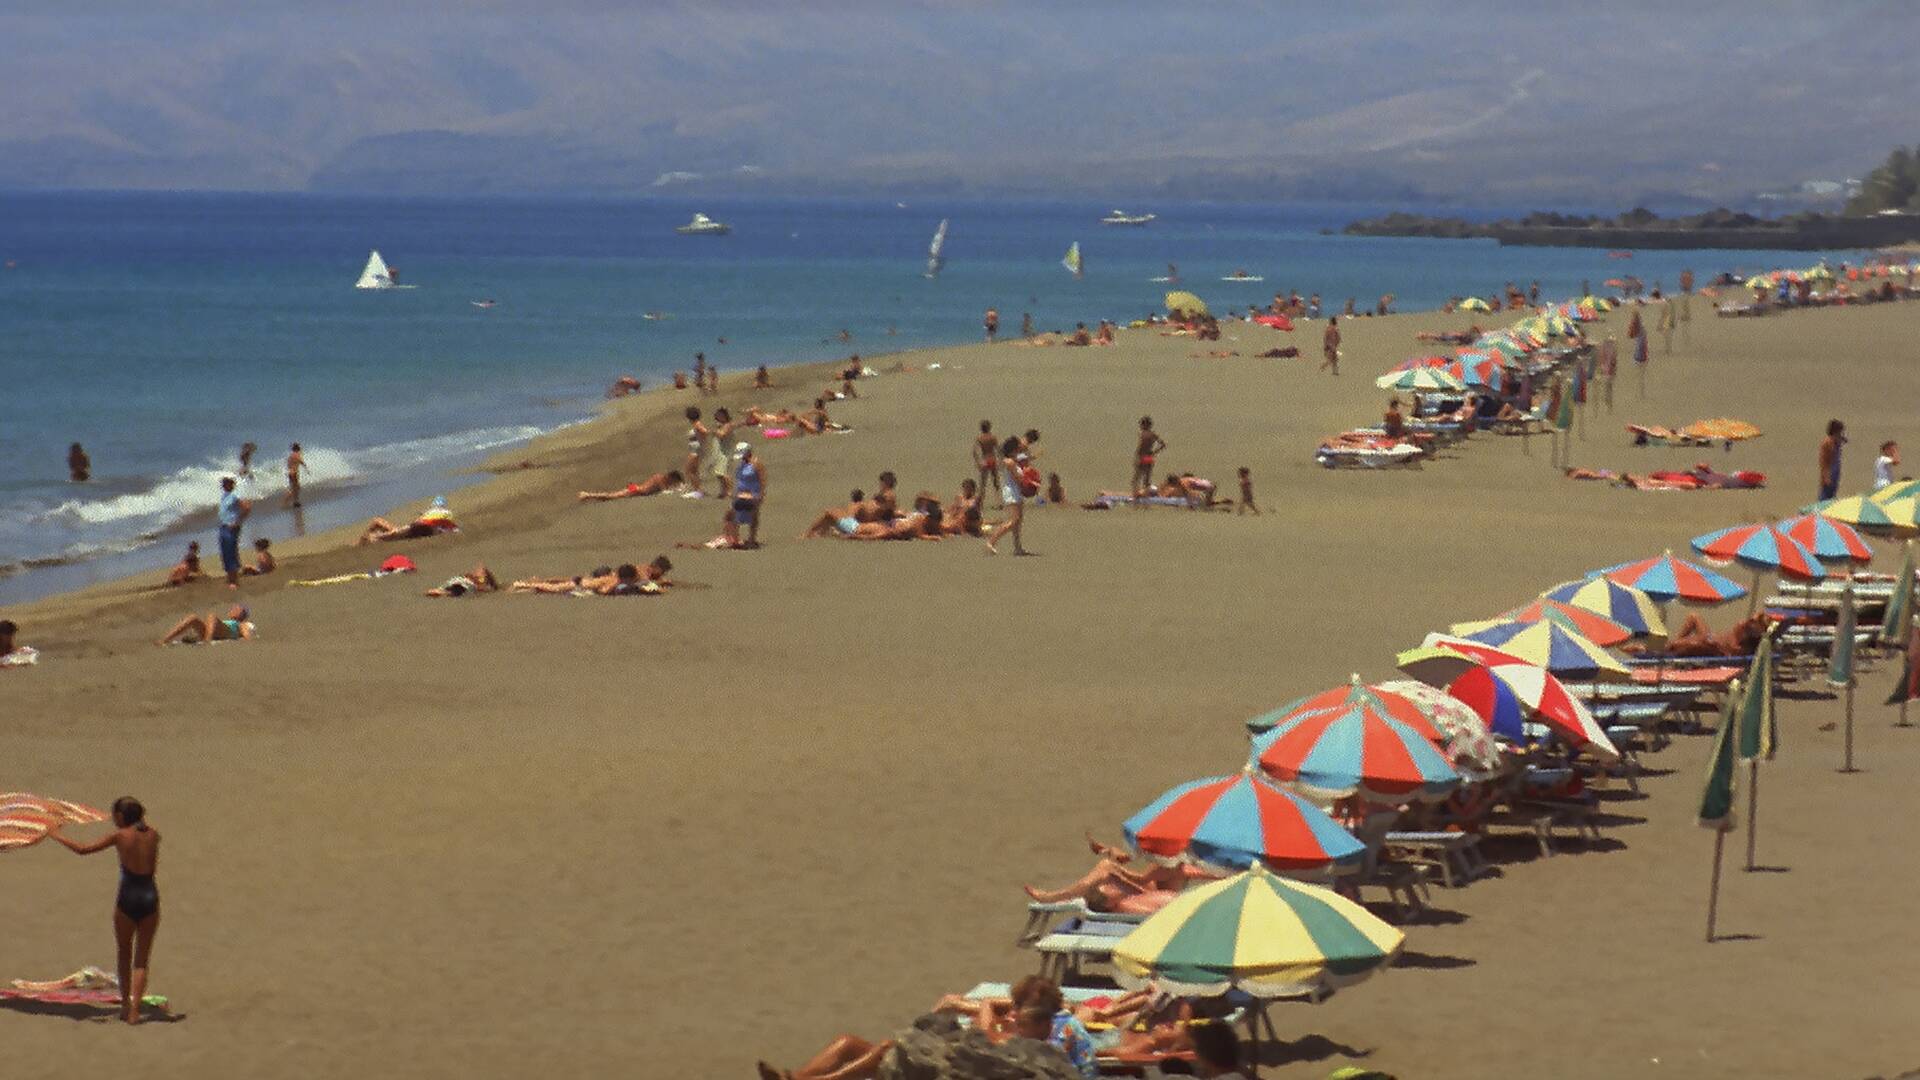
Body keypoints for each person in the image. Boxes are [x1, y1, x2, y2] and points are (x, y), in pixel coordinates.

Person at [40, 797, 161, 1024]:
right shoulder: (154, 835)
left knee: (124, 952)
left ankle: (125, 1005)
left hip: (127, 897)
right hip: (149, 896)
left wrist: (56, 835)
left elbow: (83, 850)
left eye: (115, 815)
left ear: (121, 816)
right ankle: (135, 1011)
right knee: (142, 959)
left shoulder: (120, 836)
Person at [986, 437, 1034, 556]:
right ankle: (991, 541)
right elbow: (1017, 478)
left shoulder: (1012, 460)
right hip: (1012, 491)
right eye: (1018, 447)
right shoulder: (1010, 462)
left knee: (1018, 521)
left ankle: (1018, 547)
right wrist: (1029, 483)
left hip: (1016, 490)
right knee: (1013, 520)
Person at [156, 604, 253, 646]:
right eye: (234, 608)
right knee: (193, 618)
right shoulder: (226, 621)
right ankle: (165, 640)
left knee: (211, 616)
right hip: (214, 630)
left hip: (226, 632)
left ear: (242, 615)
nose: (234, 609)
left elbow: (247, 636)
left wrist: (247, 637)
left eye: (237, 609)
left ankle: (207, 641)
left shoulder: (241, 624)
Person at [215, 476, 250, 589]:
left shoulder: (236, 495)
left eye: (226, 484)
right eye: (223, 484)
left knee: (230, 551)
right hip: (224, 526)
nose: (224, 486)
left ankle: (234, 580)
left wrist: (237, 522)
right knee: (225, 552)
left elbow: (246, 507)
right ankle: (230, 577)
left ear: (231, 485)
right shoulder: (224, 496)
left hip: (231, 527)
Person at [730, 443, 764, 549]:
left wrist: (761, 494)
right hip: (740, 493)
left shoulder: (756, 463)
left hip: (753, 494)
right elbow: (739, 479)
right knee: (732, 515)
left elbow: (762, 479)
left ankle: (752, 540)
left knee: (753, 516)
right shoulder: (741, 464)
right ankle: (735, 539)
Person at [578, 471, 682, 501]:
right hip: (636, 490)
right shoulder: (660, 478)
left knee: (612, 496)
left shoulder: (661, 478)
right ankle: (587, 495)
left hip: (636, 488)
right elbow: (664, 491)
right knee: (612, 496)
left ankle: (589, 496)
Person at [1131, 416, 1167, 497]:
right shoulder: (1152, 434)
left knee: (1137, 477)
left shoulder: (1144, 434)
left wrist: (1153, 452)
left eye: (1142, 424)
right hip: (1148, 456)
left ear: (1145, 425)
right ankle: (1145, 494)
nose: (1140, 426)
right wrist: (1154, 452)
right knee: (1146, 477)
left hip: (1143, 457)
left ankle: (1136, 494)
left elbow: (1141, 447)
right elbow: (1163, 445)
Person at [681, 407, 711, 494]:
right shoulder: (696, 424)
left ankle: (697, 489)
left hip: (696, 450)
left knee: (689, 470)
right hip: (696, 449)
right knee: (693, 470)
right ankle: (697, 489)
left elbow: (705, 432)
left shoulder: (697, 424)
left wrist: (701, 439)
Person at [973, 420, 1003, 508]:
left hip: (985, 460)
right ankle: (999, 502)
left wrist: (978, 462)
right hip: (992, 460)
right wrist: (1001, 460)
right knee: (996, 482)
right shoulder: (993, 438)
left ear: (981, 428)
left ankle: (980, 504)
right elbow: (998, 450)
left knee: (983, 484)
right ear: (989, 428)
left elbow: (975, 451)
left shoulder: (980, 438)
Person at [424, 564, 499, 597]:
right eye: (477, 569)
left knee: (460, 588)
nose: (476, 570)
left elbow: (481, 586)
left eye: (479, 571)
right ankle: (441, 591)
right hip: (458, 585)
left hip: (463, 587)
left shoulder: (479, 581)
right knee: (457, 587)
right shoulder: (468, 577)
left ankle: (442, 592)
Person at [709, 409, 737, 498]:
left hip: (725, 452)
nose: (719, 418)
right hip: (719, 451)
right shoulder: (719, 426)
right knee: (718, 473)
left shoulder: (728, 425)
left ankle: (730, 491)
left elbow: (722, 434)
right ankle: (723, 491)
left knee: (723, 473)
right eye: (718, 416)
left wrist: (714, 431)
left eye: (721, 416)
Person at [1819, 419, 1847, 501]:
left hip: (1835, 470)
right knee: (1825, 495)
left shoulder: (1836, 441)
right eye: (1840, 431)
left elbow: (1845, 440)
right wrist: (1826, 476)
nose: (1841, 433)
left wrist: (1841, 438)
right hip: (1829, 471)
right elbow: (1824, 461)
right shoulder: (1828, 442)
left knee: (1832, 494)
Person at [284, 443, 306, 508]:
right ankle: (286, 502)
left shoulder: (290, 456)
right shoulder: (297, 454)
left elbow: (288, 465)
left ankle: (296, 502)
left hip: (290, 473)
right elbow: (301, 462)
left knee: (295, 488)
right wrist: (306, 467)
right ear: (297, 448)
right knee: (295, 488)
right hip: (294, 473)